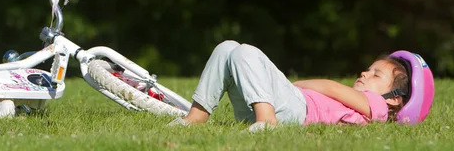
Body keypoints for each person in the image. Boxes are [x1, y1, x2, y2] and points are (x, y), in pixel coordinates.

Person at [169, 40, 430, 132]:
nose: (365, 72)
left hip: (297, 108)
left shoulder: (378, 108)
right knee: (227, 48)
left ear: (395, 98)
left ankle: (266, 120)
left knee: (245, 52)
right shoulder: (366, 102)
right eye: (368, 68)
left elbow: (331, 87)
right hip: (282, 103)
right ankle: (196, 117)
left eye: (375, 75)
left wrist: (294, 84)